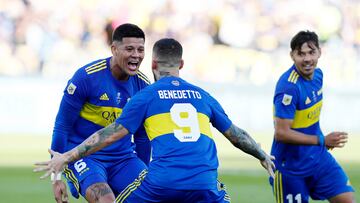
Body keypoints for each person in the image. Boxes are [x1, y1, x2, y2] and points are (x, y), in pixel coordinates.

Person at [35, 38, 275, 202]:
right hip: (205, 184)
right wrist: (262, 155)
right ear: (181, 64)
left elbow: (110, 134)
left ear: (152, 64)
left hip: (162, 182)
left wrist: (67, 156)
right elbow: (236, 135)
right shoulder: (203, 96)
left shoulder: (146, 96)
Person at [49, 23, 151, 203]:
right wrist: (56, 178)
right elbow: (62, 126)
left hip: (124, 159)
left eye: (140, 50)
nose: (136, 55)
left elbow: (142, 137)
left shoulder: (143, 87)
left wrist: (145, 179)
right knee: (105, 200)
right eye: (129, 49)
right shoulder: (86, 77)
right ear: (114, 49)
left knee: (150, 196)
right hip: (85, 157)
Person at [270, 30, 355, 203]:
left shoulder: (318, 75)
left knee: (347, 200)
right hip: (290, 168)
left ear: (319, 52)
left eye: (311, 52)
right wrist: (322, 140)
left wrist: (320, 144)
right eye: (301, 54)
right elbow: (281, 133)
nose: (307, 59)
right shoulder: (289, 87)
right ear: (292, 56)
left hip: (318, 158)